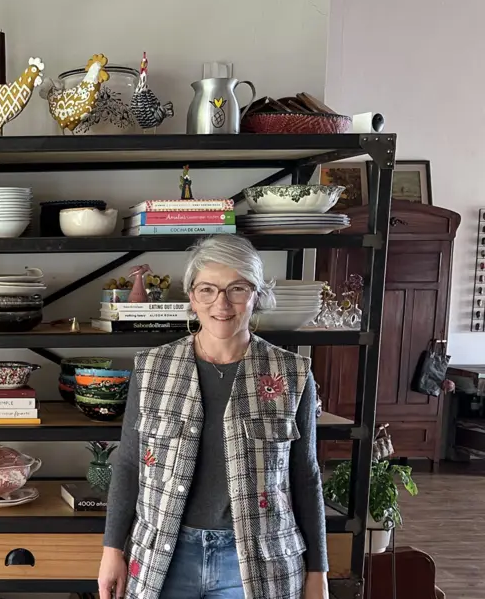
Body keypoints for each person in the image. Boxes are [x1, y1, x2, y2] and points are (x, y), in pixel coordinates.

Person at [98, 235, 327, 599]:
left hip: (259, 561)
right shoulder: (153, 368)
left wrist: (318, 572)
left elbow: (306, 476)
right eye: (207, 289)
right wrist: (112, 550)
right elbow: (128, 464)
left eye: (237, 289)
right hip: (164, 555)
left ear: (256, 295)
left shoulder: (293, 373)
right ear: (192, 297)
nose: (221, 303)